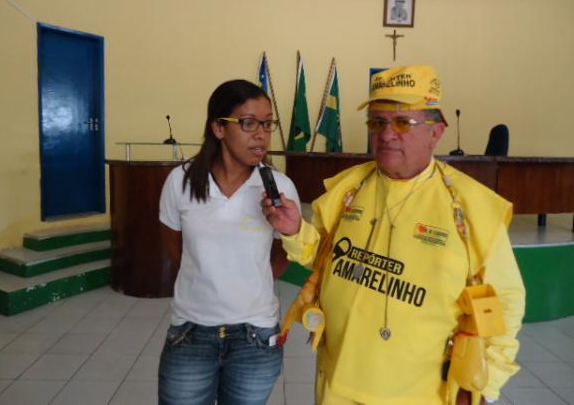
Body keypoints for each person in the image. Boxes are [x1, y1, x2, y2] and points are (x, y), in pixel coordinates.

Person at [263, 65, 525, 405]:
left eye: (403, 122)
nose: (386, 134)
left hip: (420, 394)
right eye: (378, 122)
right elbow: (325, 258)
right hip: (337, 385)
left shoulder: (470, 207)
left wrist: (485, 388)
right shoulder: (349, 189)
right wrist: (295, 230)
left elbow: (505, 303)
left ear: (437, 131)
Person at [158, 79, 300, 405]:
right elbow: (174, 244)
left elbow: (287, 249)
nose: (261, 134)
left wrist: (251, 280)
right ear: (219, 128)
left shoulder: (278, 187)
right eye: (249, 123)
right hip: (191, 332)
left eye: (267, 123)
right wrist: (209, 276)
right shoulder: (181, 181)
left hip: (255, 336)